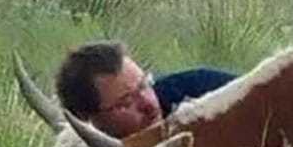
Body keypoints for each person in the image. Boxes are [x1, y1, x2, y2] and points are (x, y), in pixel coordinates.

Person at [55, 40, 236, 138]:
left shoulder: (205, 90)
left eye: (144, 85)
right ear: (89, 120)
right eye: (125, 102)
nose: (149, 105)